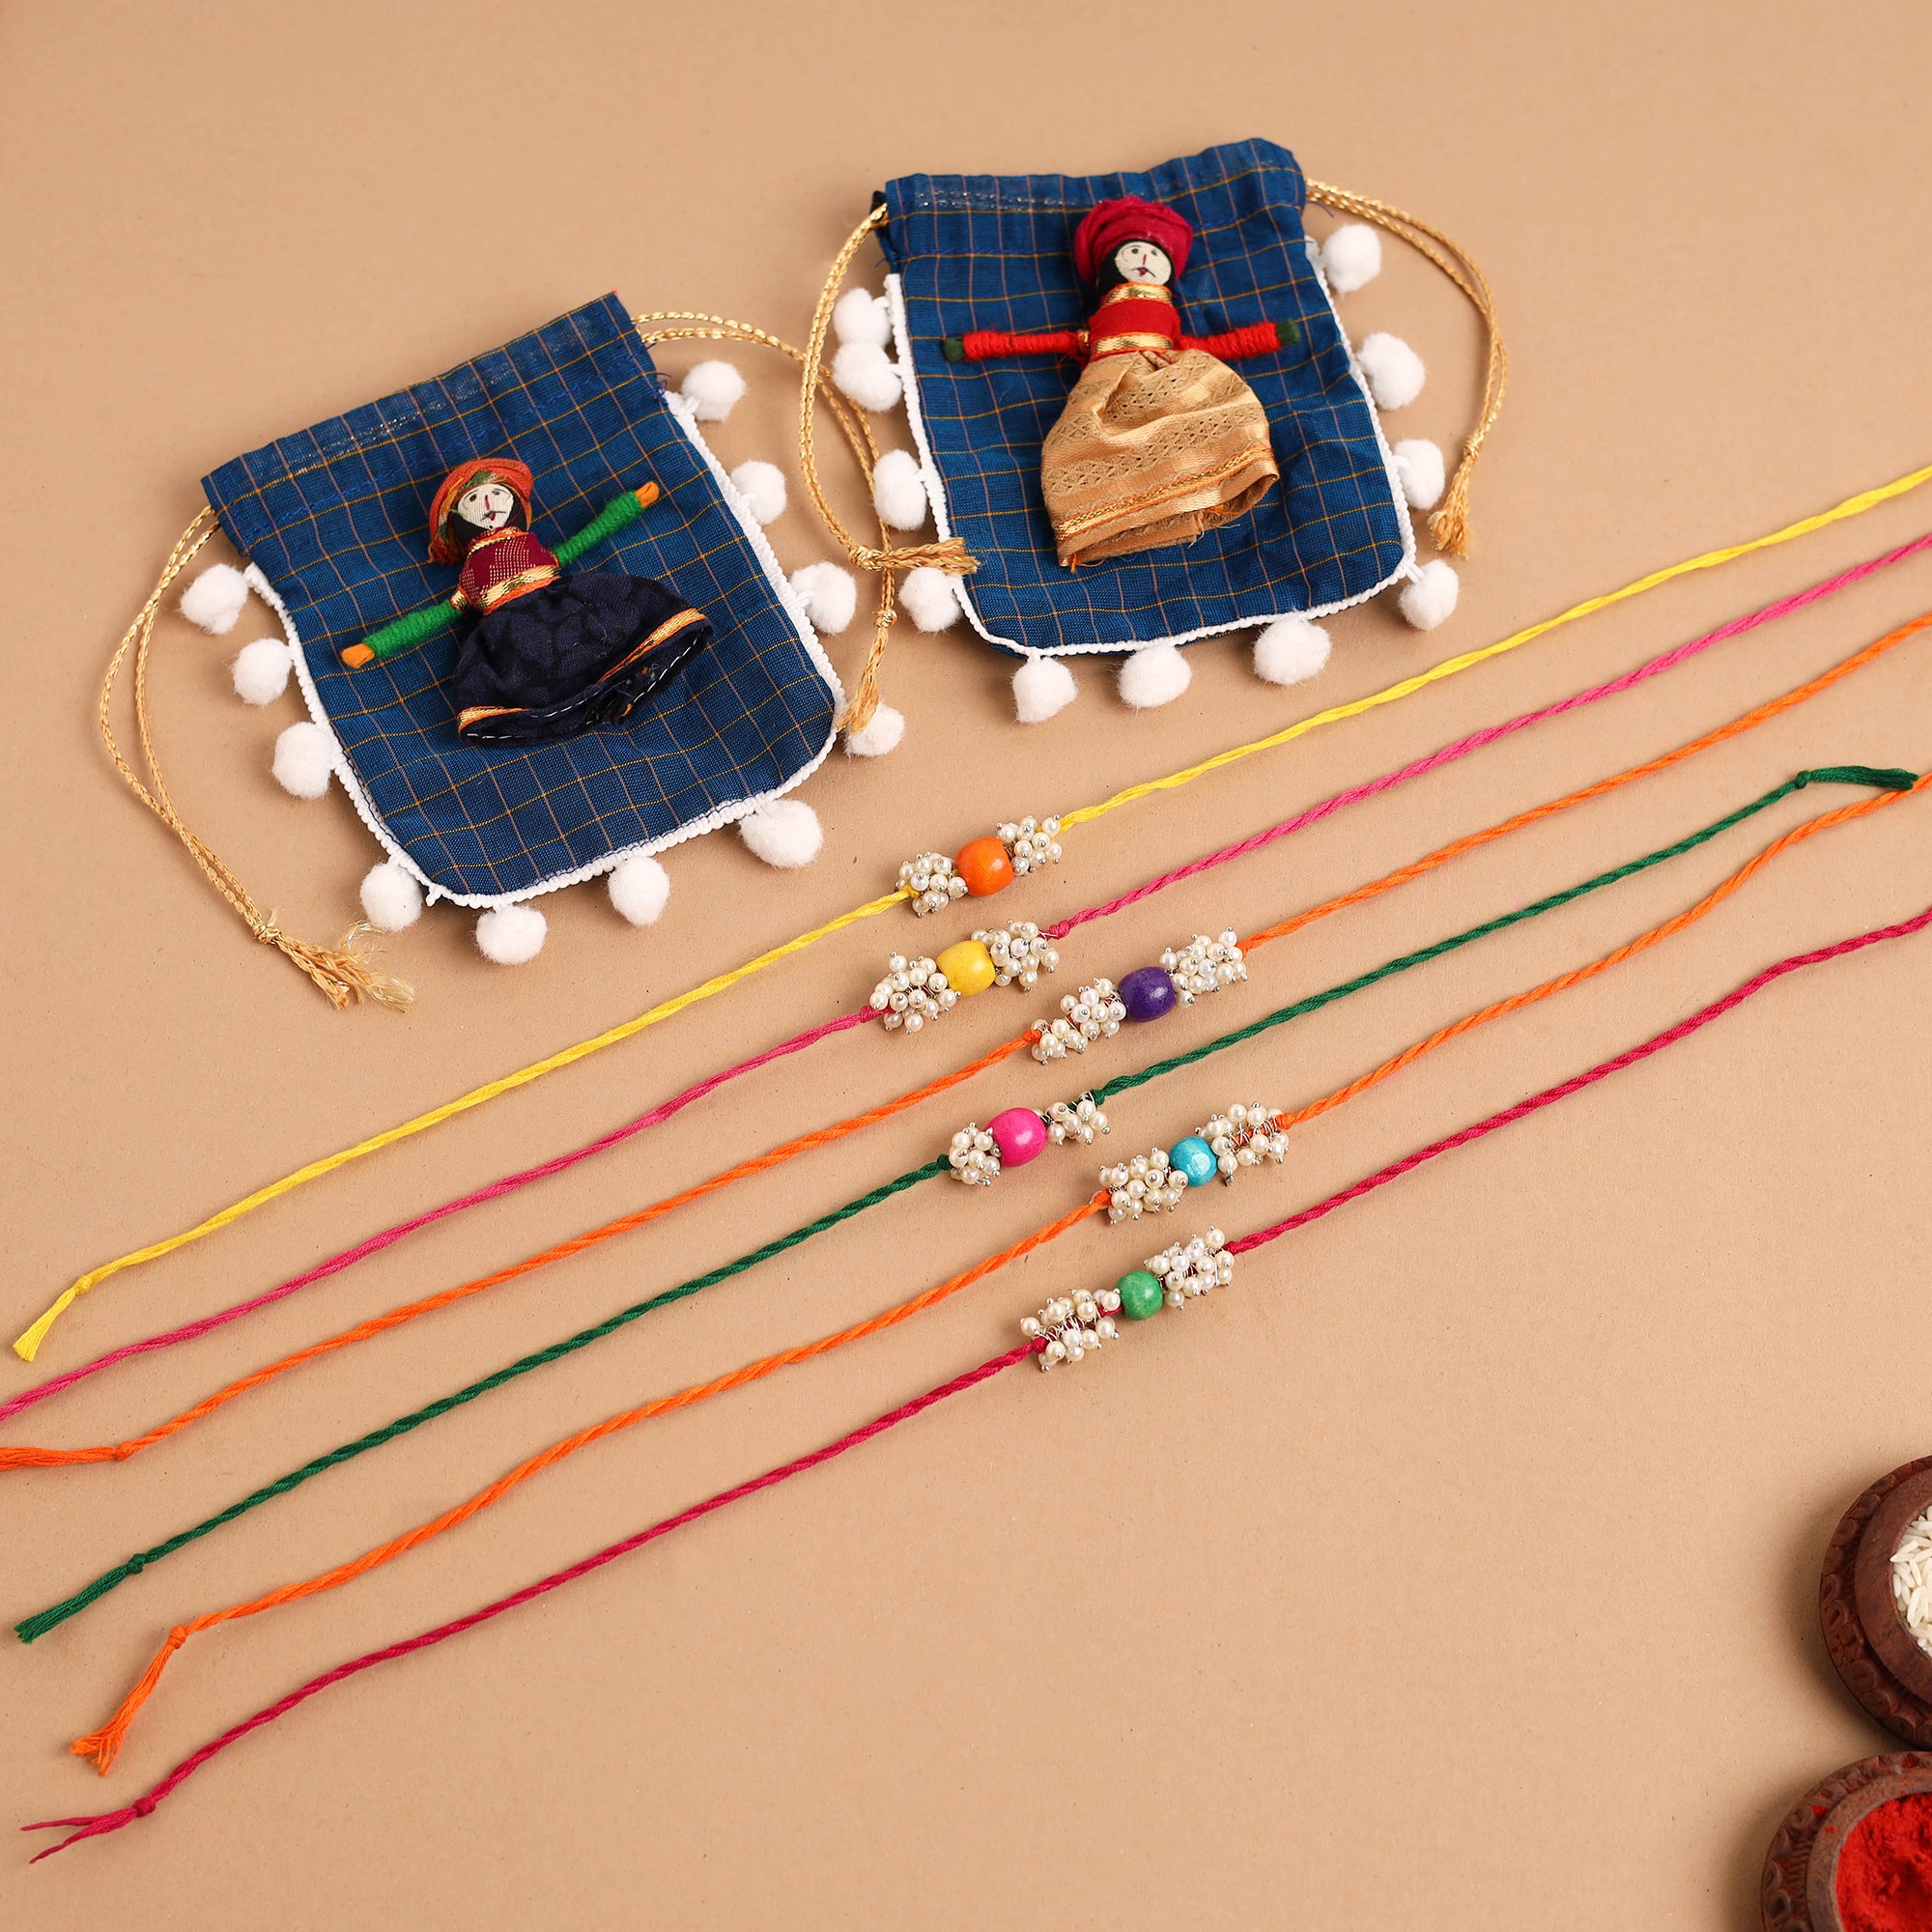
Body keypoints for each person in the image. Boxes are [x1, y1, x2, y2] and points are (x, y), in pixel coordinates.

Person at [942, 196, 1299, 569]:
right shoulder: (1096, 329)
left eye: (1154, 254)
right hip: (1106, 381)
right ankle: (1117, 512)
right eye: (1133, 252)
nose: (1144, 259)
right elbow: (1035, 343)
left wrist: (1267, 337)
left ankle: (1206, 479)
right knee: (1082, 444)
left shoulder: (1167, 325)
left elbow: (1215, 346)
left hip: (1171, 374)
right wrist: (978, 345)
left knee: (1216, 408)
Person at [340, 458, 710, 745]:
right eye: (473, 500)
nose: (487, 503)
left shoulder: (534, 549)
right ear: (454, 524)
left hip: (565, 601)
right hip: (513, 632)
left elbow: (586, 538)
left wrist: (628, 506)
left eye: (496, 494)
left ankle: (627, 679)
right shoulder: (470, 580)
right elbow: (430, 619)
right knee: (532, 674)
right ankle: (592, 700)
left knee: (622, 623)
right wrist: (376, 644)